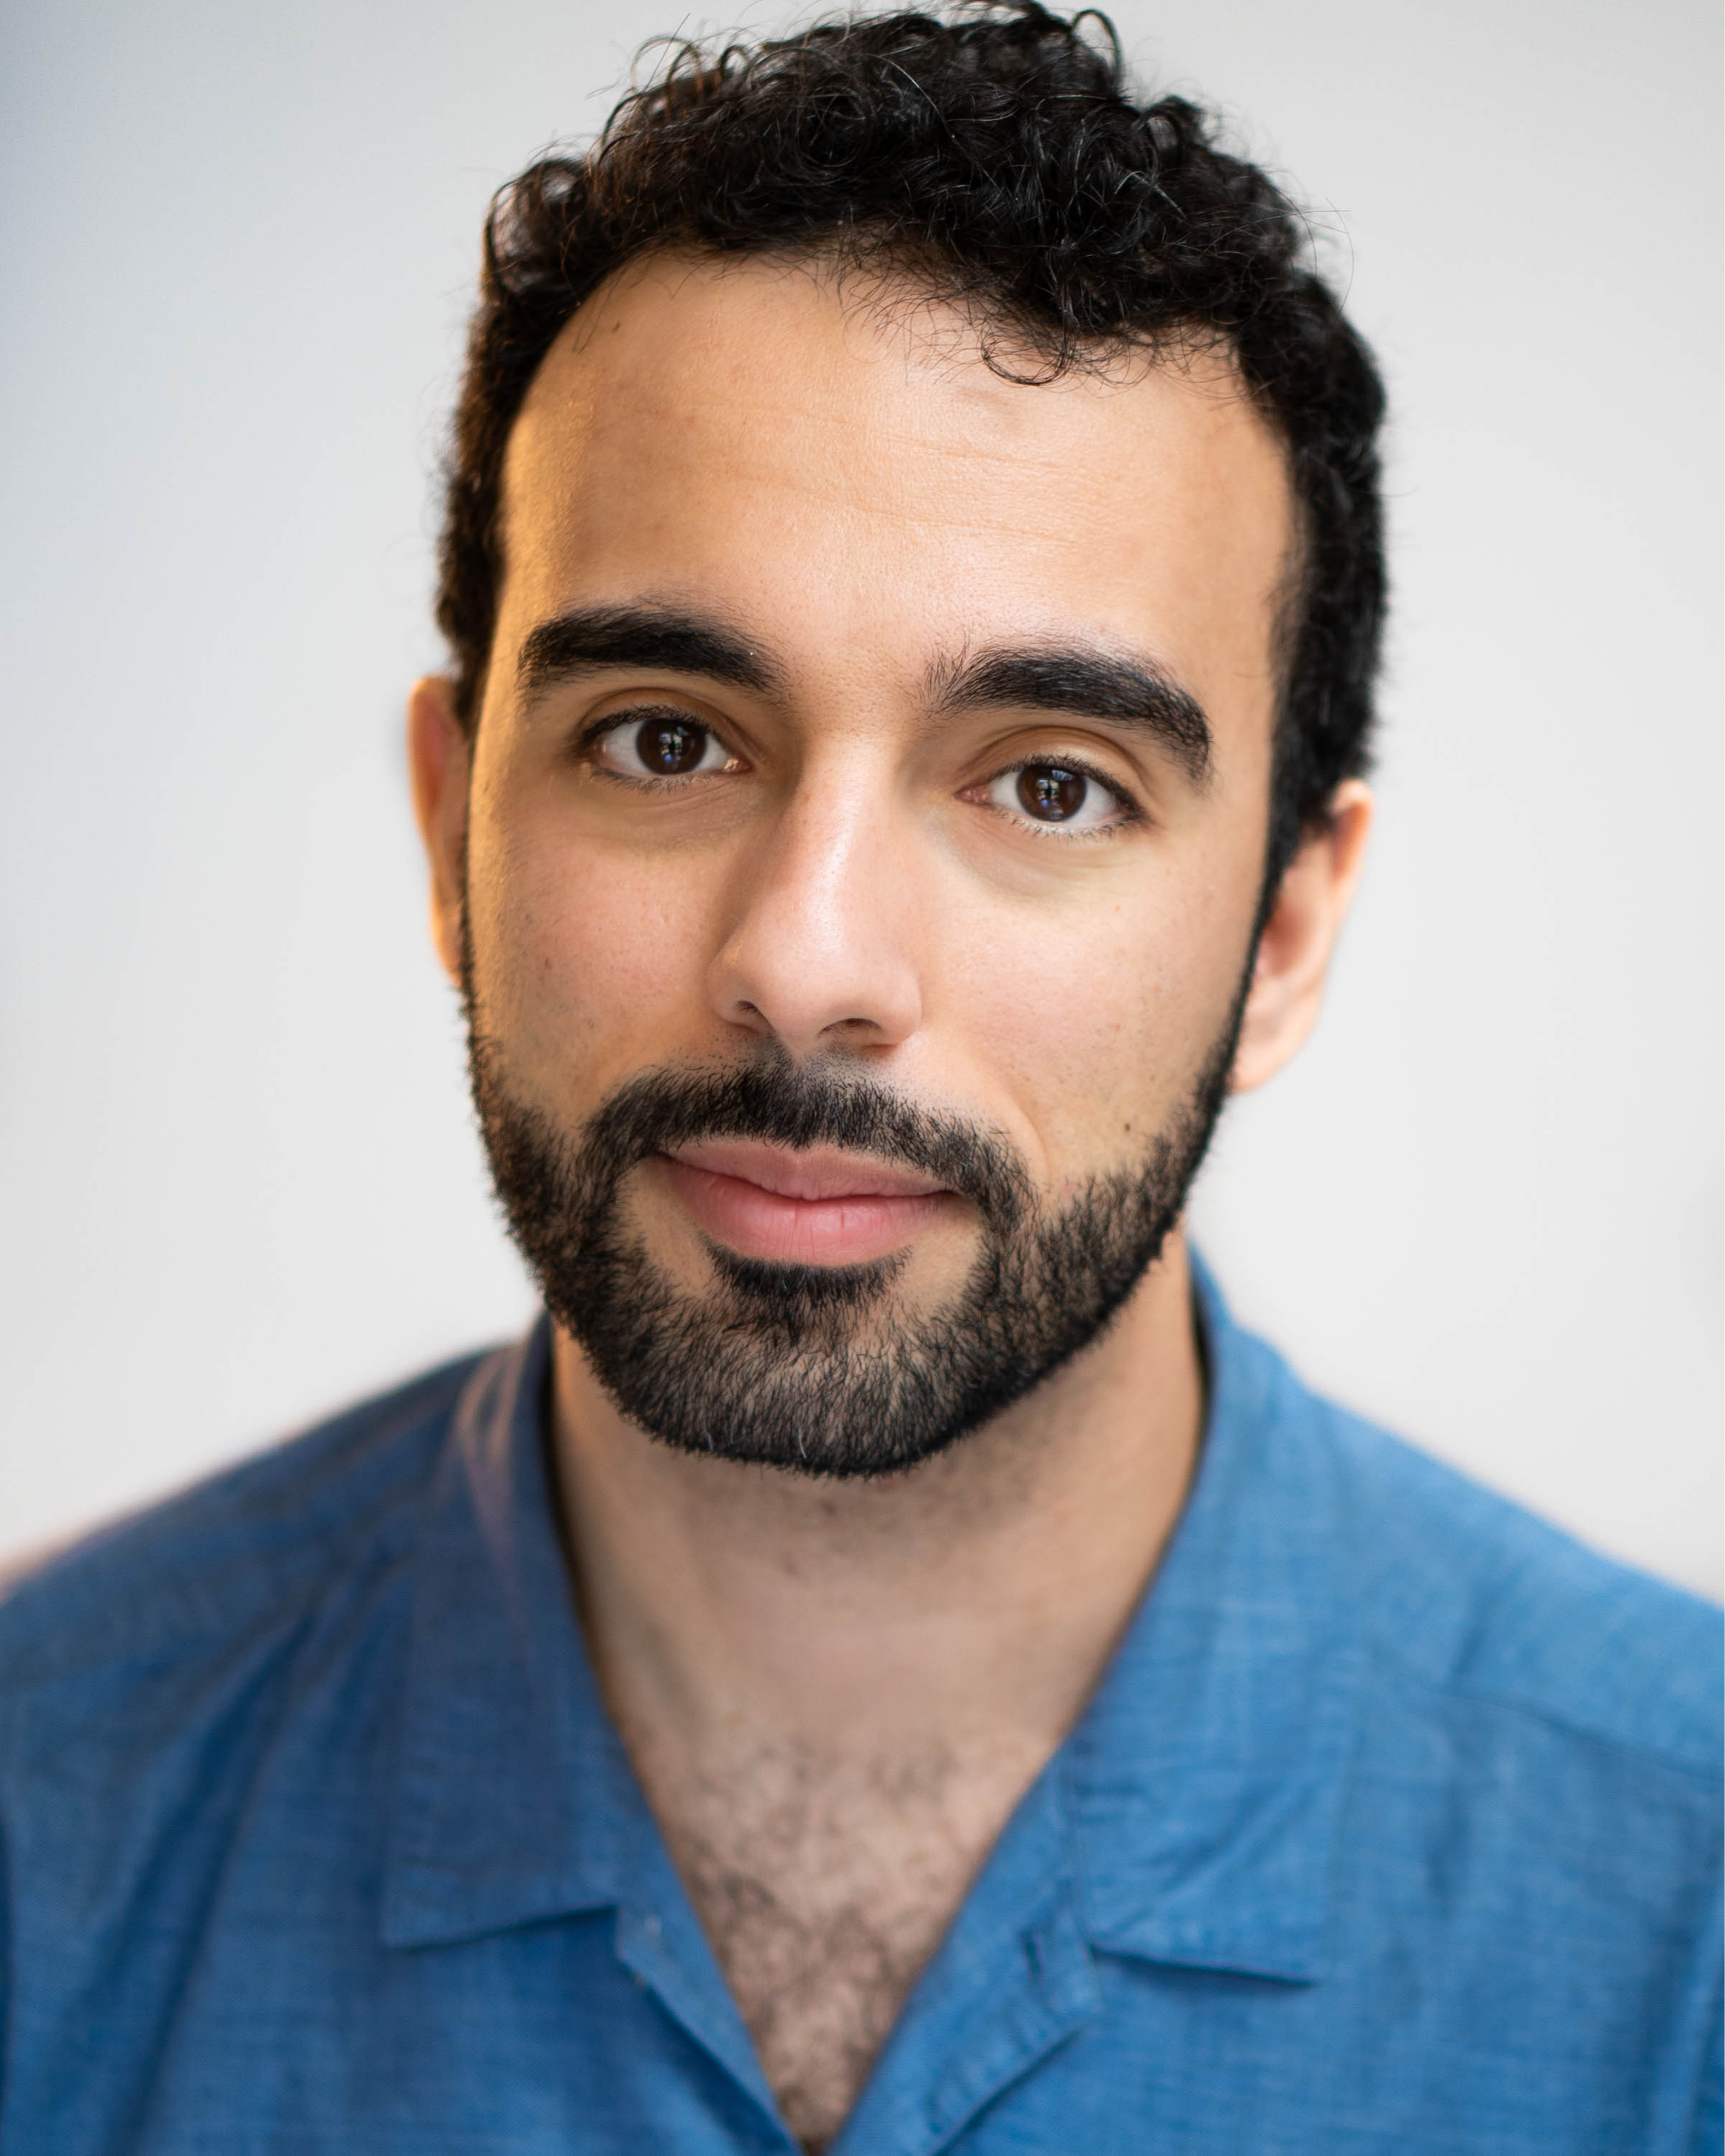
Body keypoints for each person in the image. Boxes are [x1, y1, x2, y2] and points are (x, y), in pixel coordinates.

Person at [1, 6, 1717, 2150]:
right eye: (666, 741)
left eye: (1052, 783)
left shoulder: (1690, 1909)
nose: (806, 963)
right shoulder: (41, 1808)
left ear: (1285, 931)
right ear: (453, 831)